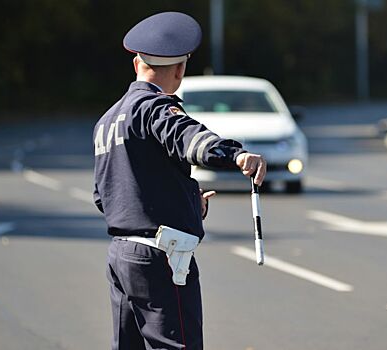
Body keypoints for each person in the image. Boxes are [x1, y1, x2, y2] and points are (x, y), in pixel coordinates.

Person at [93, 12, 267, 350]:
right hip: (161, 257)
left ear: (136, 64)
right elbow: (190, 139)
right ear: (179, 70)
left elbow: (107, 195)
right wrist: (236, 155)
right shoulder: (155, 108)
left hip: (122, 255)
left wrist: (186, 201)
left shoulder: (107, 120)